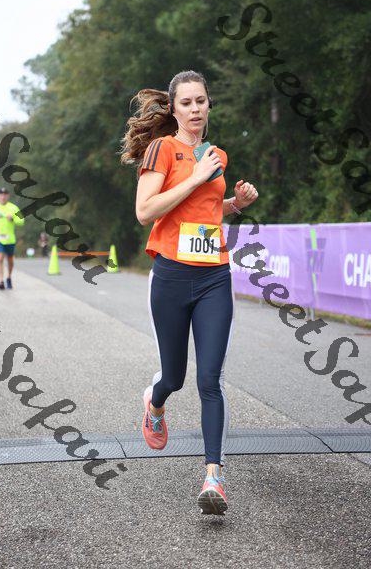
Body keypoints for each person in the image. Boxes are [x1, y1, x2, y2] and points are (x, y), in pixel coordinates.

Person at [120, 70, 258, 515]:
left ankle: (213, 477)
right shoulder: (162, 149)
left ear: (209, 104)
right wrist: (196, 177)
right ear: (174, 108)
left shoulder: (217, 155)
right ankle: (155, 401)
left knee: (210, 379)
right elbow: (145, 211)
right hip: (172, 277)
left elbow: (205, 210)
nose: (195, 109)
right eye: (186, 102)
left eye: (201, 101)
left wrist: (235, 204)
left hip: (214, 275)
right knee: (175, 377)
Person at [0, 187, 25, 290]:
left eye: (5, 195)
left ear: (8, 196)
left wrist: (13, 219)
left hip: (10, 239)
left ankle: (8, 277)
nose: (3, 197)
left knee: (10, 260)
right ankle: (1, 281)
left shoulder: (14, 208)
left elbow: (21, 221)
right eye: (1, 195)